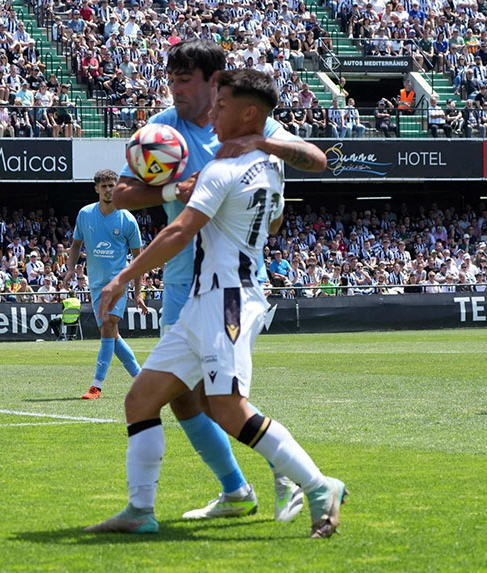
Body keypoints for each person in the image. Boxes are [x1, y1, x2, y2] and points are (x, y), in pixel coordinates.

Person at [86, 69, 347, 539]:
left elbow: (180, 231)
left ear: (248, 113)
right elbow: (273, 221)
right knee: (141, 399)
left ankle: (317, 484)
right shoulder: (266, 163)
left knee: (227, 407)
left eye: (222, 106)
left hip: (227, 300)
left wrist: (125, 276)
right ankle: (140, 511)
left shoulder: (225, 167)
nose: (214, 114)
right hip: (205, 302)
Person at [63, 169, 148, 400]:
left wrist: (138, 293)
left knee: (109, 326)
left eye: (112, 185)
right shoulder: (85, 214)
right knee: (111, 334)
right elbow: (76, 245)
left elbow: (138, 260)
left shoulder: (127, 219)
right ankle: (141, 380)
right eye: (104, 186)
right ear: (97, 189)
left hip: (118, 283)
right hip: (96, 284)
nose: (109, 190)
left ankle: (96, 386)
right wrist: (71, 269)